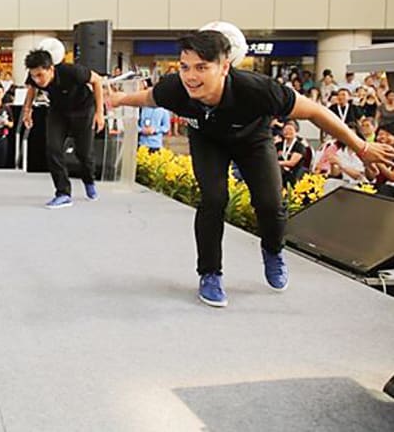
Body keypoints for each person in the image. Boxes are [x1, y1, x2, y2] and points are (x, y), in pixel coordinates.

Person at [108, 30, 394, 308]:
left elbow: (317, 112)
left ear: (224, 67)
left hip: (253, 141)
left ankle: (272, 250)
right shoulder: (175, 88)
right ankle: (210, 274)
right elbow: (147, 98)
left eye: (201, 67)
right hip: (208, 141)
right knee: (213, 199)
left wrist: (362, 148)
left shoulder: (257, 89)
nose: (191, 76)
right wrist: (118, 99)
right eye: (185, 67)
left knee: (270, 203)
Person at [23, 50, 105, 208]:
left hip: (83, 110)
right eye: (33, 75)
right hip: (58, 112)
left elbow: (97, 81)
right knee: (52, 148)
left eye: (40, 75)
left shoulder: (73, 71)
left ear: (51, 69)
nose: (37, 79)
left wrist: (99, 112)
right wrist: (27, 111)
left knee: (84, 153)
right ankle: (63, 193)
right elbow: (31, 90)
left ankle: (89, 180)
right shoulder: (34, 78)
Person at [276, 120, 306, 187]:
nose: (287, 132)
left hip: (294, 172)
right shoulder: (278, 145)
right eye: (285, 129)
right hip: (279, 171)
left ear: (296, 131)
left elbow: (292, 163)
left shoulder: (299, 146)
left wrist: (277, 163)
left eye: (290, 129)